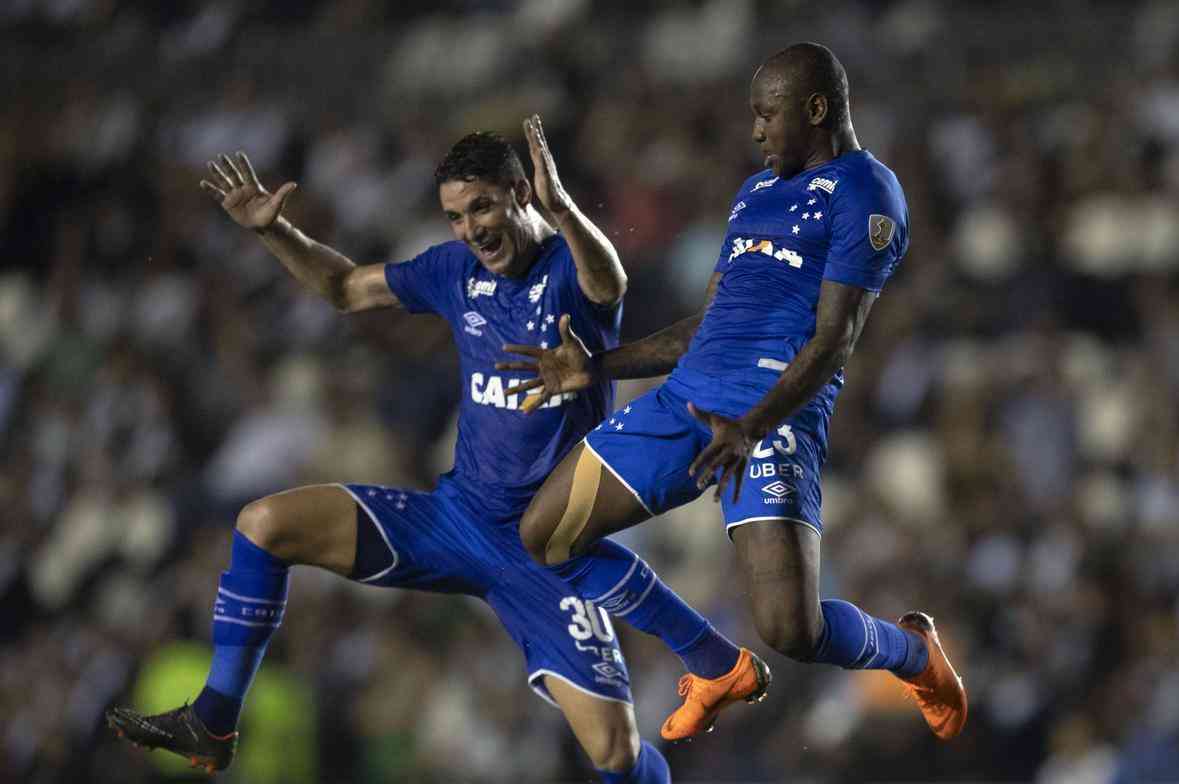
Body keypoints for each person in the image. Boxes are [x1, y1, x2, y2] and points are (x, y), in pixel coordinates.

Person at [105, 120, 770, 781]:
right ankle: (215, 719)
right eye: (455, 216)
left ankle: (699, 684)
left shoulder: (567, 268)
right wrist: (274, 231)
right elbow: (344, 289)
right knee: (263, 524)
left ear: (519, 192)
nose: (471, 228)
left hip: (546, 552)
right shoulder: (453, 271)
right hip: (455, 520)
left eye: (481, 206)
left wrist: (564, 212)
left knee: (614, 754)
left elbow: (609, 286)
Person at [502, 43, 968, 743]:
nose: (754, 130)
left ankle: (913, 653)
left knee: (792, 630)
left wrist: (752, 425)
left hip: (773, 418)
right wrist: (595, 366)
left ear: (815, 110)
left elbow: (834, 340)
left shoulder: (868, 193)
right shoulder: (753, 193)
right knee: (544, 536)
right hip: (684, 403)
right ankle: (714, 665)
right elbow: (708, 324)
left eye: (766, 114)